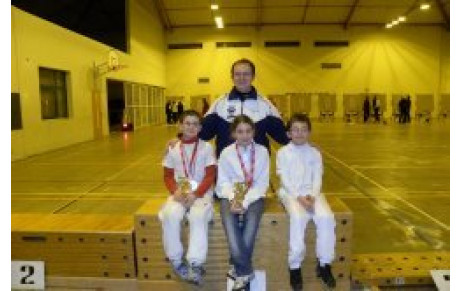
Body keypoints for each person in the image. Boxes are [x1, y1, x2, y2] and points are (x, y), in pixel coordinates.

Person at [168, 59, 289, 157]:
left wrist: (302, 142)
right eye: (237, 74)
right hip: (226, 168)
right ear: (232, 76)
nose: (242, 78)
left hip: (256, 167)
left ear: (253, 76)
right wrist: (181, 139)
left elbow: (283, 136)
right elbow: (202, 132)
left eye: (246, 74)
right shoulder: (219, 104)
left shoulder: (265, 105)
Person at [276, 113, 336, 290]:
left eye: (303, 130)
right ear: (289, 133)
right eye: (295, 130)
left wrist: (313, 195)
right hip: (291, 194)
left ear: (309, 132)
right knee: (298, 218)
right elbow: (284, 179)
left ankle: (324, 264)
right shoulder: (282, 153)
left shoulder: (315, 153)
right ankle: (295, 267)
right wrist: (299, 197)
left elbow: (318, 177)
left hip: (313, 194)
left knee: (326, 218)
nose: (299, 133)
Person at [159, 110, 217, 285]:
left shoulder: (207, 147)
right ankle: (176, 260)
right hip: (179, 193)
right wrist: (174, 191)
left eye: (195, 124)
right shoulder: (173, 148)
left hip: (201, 193)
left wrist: (196, 194)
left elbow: (210, 175)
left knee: (198, 216)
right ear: (180, 125)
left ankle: (195, 263)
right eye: (187, 123)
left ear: (200, 127)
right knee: (169, 214)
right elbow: (168, 175)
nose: (191, 127)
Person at [216, 115, 269, 291]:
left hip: (254, 195)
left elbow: (262, 184)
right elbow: (222, 182)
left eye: (248, 131)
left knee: (252, 221)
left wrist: (244, 202)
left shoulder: (262, 152)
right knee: (229, 222)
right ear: (233, 134)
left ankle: (237, 266)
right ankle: (245, 271)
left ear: (253, 131)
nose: (245, 135)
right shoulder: (226, 153)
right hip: (230, 195)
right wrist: (233, 198)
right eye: (240, 131)